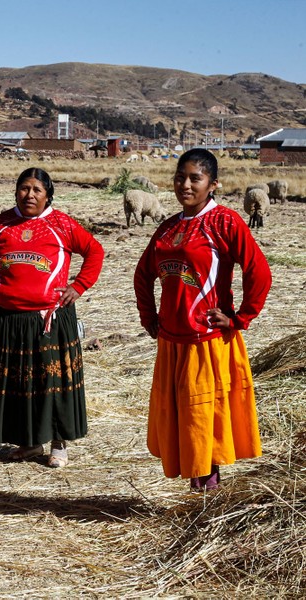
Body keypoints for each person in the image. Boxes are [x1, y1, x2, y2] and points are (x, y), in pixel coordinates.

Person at [134, 148, 271, 491]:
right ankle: (198, 495)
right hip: (171, 339)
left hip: (205, 339)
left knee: (202, 419)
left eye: (196, 178)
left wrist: (240, 318)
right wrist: (149, 317)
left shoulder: (224, 221)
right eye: (181, 177)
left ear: (213, 184)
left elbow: (258, 271)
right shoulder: (167, 227)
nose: (185, 184)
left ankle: (207, 498)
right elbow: (143, 273)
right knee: (180, 417)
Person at [0, 167, 104, 468]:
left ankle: (58, 443)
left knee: (51, 382)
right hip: (8, 319)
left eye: (36, 190)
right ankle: (29, 443)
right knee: (20, 386)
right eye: (24, 189)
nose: (29, 195)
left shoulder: (61, 224)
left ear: (47, 195)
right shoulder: (1, 225)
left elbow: (94, 251)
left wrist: (78, 286)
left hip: (49, 319)